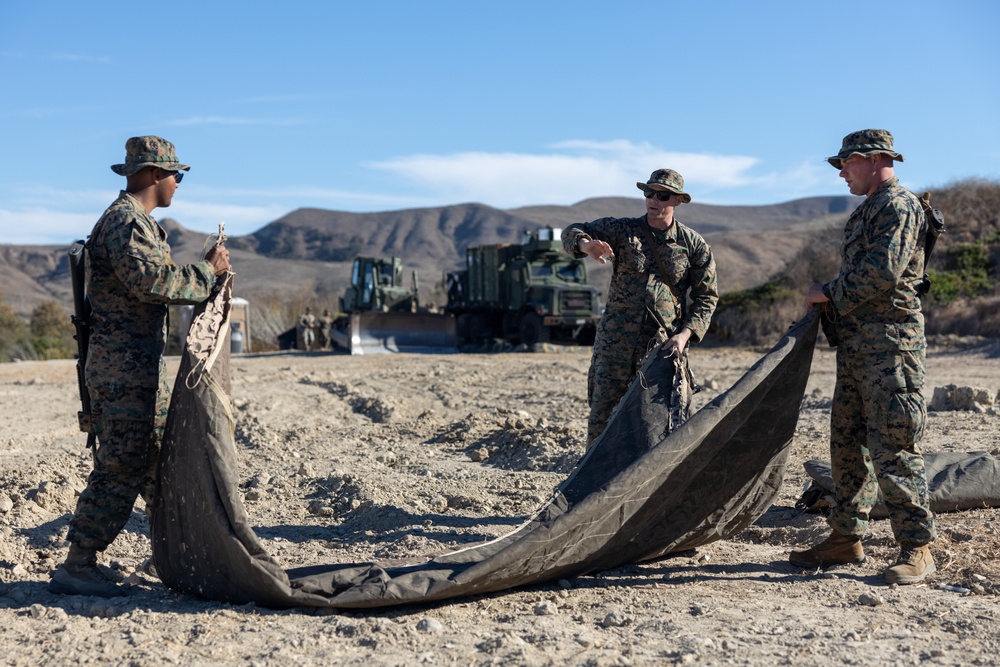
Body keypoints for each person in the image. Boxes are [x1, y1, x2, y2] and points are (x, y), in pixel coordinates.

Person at [49, 136, 230, 597]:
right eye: (177, 175)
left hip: (136, 367)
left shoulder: (138, 223)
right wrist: (206, 271)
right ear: (153, 174)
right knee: (121, 464)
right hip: (121, 371)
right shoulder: (125, 223)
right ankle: (78, 563)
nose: (177, 184)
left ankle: (174, 553)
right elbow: (152, 282)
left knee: (156, 465)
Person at [789, 129, 936, 585]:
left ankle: (917, 548)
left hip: (891, 349)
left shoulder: (899, 205)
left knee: (893, 446)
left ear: (874, 160)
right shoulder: (868, 210)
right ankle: (846, 538)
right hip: (858, 348)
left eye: (846, 164)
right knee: (848, 446)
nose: (842, 173)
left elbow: (883, 273)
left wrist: (826, 294)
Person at [562, 169, 718, 445]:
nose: (653, 199)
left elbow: (707, 297)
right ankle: (594, 483)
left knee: (658, 425)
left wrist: (684, 336)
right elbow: (572, 230)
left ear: (678, 201)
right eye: (649, 192)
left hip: (661, 349)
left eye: (662, 195)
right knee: (603, 421)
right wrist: (587, 245)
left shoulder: (693, 245)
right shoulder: (623, 231)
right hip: (614, 345)